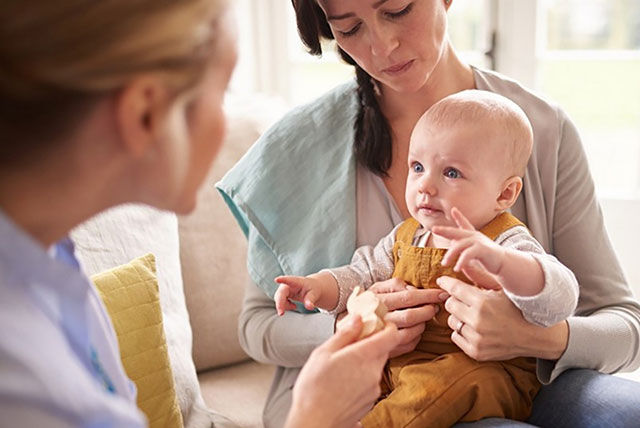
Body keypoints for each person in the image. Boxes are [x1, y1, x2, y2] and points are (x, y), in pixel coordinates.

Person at [216, 0, 640, 426]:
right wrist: (353, 325)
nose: (383, 47)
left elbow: (625, 325)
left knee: (626, 412)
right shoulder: (297, 147)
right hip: (370, 391)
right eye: (349, 30)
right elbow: (258, 325)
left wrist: (538, 336)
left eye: (398, 10)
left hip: (512, 376)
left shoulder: (540, 129)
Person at [0, 1, 402, 427]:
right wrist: (314, 417)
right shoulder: (22, 377)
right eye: (223, 90)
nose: (228, 127)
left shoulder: (55, 267)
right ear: (145, 114)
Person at [274, 90, 579, 427]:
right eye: (418, 167)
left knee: (440, 384)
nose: (425, 186)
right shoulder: (408, 235)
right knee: (360, 382)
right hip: (404, 367)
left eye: (451, 173)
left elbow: (561, 296)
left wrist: (502, 263)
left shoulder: (505, 241)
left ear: (504, 194)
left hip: (481, 374)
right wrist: (317, 285)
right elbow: (361, 274)